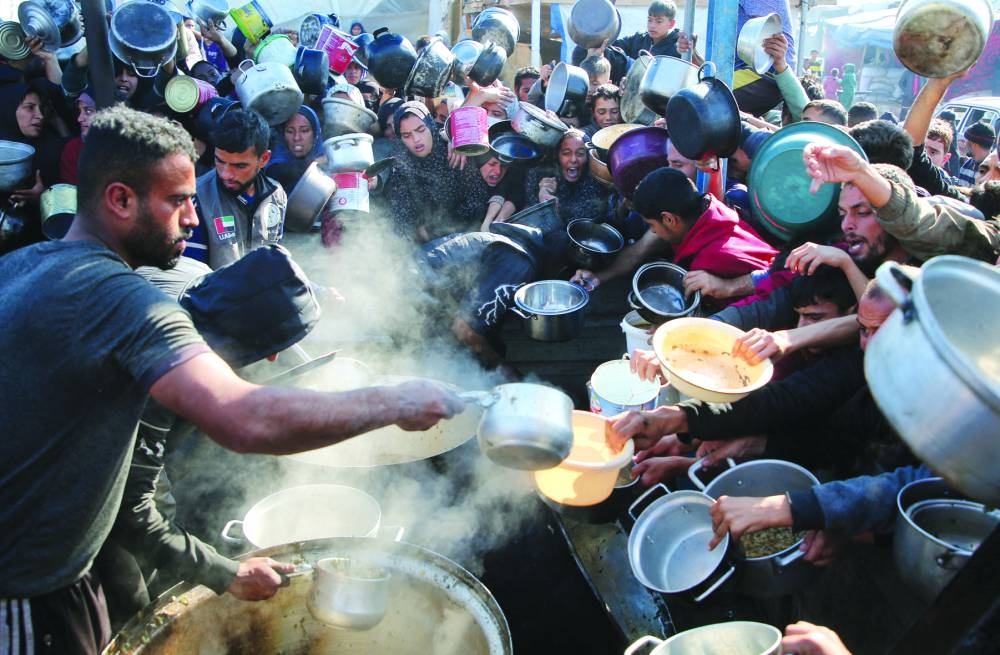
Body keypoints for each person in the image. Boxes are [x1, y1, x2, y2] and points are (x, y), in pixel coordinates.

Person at [0, 106, 463, 655]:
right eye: (178, 201)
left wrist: (224, 572)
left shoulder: (26, 263)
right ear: (120, 200)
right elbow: (245, 418)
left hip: (60, 580)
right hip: (25, 595)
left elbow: (130, 507)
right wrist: (394, 400)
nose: (193, 218)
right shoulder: (121, 298)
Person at [572, 167, 776, 311]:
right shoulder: (701, 212)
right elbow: (641, 248)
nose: (653, 232)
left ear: (669, 219)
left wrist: (728, 287)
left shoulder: (718, 256)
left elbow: (786, 274)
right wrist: (599, 277)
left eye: (652, 225)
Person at [185, 108, 287, 268]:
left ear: (264, 159)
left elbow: (275, 262)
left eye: (239, 166)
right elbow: (192, 276)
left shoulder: (276, 195)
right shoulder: (196, 197)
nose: (226, 174)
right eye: (220, 161)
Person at [59, 92, 97, 184]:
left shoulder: (126, 149)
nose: (79, 119)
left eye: (88, 111)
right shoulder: (72, 149)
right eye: (80, 112)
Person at [957, 121, 996, 188]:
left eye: (966, 140)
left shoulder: (995, 171)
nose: (964, 143)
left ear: (974, 144)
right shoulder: (967, 165)